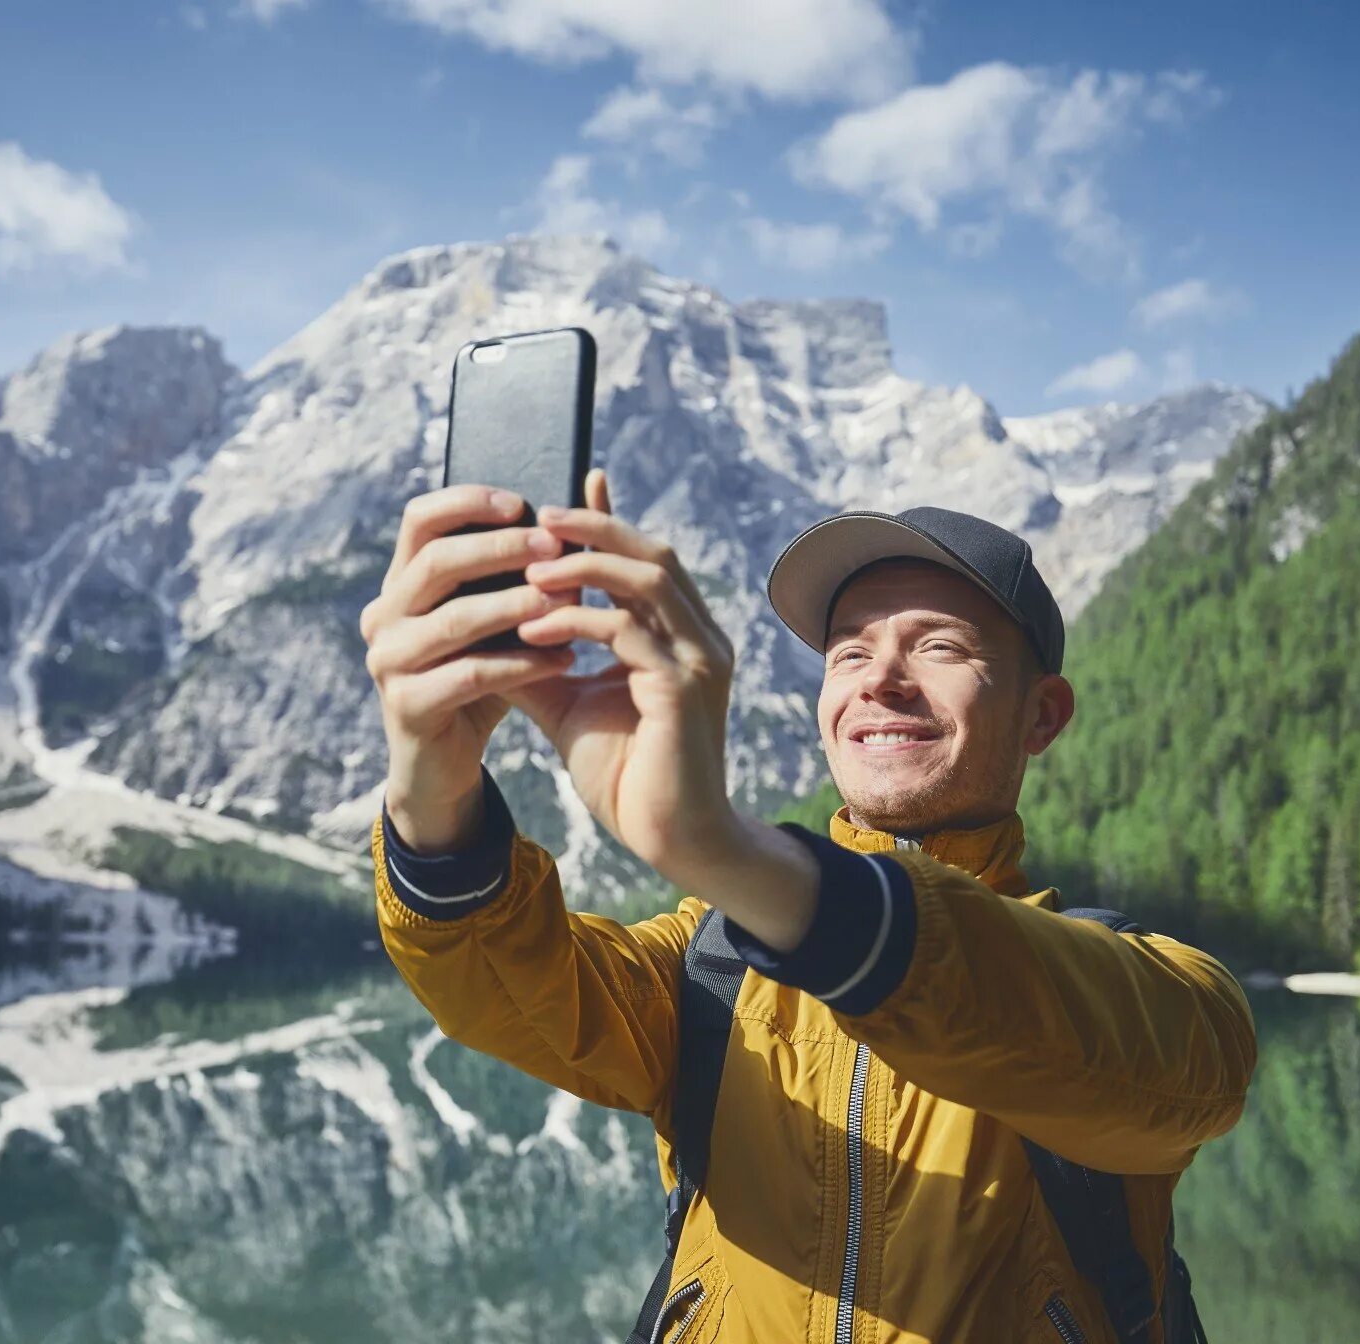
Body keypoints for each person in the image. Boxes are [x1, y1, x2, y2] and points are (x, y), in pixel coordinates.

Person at [358, 466, 1256, 1344]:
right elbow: (505, 979)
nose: (881, 679)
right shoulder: (705, 965)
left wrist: (732, 853)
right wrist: (431, 802)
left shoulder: (1158, 993)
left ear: (1042, 716)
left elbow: (1112, 1045)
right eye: (850, 652)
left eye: (938, 645)